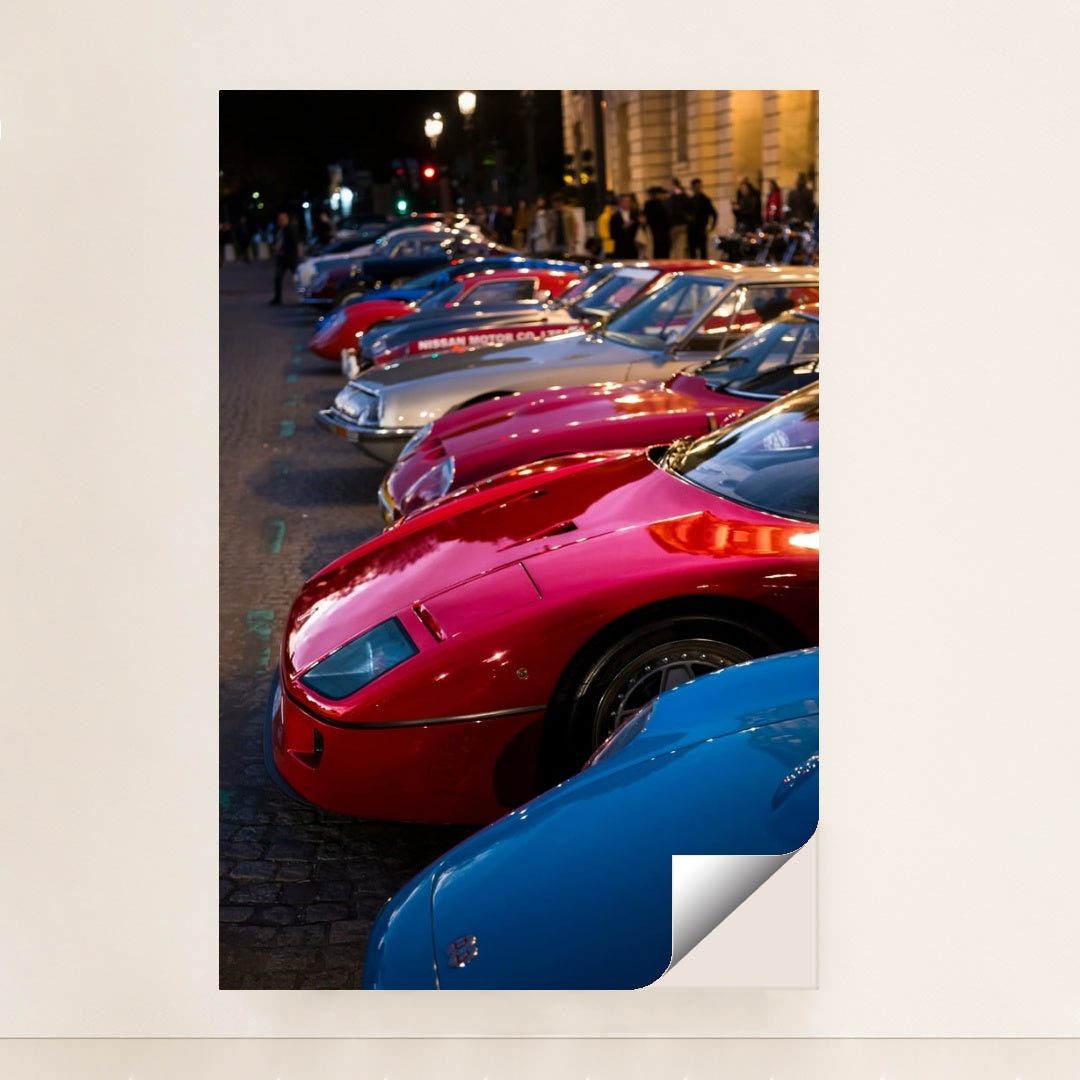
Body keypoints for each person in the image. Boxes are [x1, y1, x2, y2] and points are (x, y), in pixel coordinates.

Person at [270, 211, 299, 305]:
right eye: (279, 219)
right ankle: (277, 298)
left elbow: (293, 244)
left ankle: (304, 295)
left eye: (283, 219)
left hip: (290, 258)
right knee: (277, 278)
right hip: (281, 258)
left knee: (298, 278)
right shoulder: (278, 230)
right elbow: (276, 241)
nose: (281, 221)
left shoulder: (291, 230)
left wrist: (281, 247)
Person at [688, 177, 718, 258]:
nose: (698, 189)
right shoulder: (690, 200)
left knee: (703, 252)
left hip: (701, 229)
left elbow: (714, 214)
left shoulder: (705, 200)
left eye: (699, 187)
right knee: (692, 252)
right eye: (696, 187)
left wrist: (710, 228)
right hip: (692, 230)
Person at [643, 186, 671, 258]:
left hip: (661, 232)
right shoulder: (656, 204)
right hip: (657, 232)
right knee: (660, 252)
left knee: (660, 252)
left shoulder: (662, 203)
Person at [609, 193, 639, 258]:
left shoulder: (635, 215)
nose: (627, 203)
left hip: (633, 248)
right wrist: (623, 227)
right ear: (620, 203)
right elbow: (612, 234)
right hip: (620, 248)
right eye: (625, 201)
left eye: (629, 201)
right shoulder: (615, 217)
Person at [668, 178, 692, 258]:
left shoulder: (676, 196)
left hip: (679, 224)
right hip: (677, 225)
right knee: (677, 247)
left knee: (679, 247)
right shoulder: (681, 195)